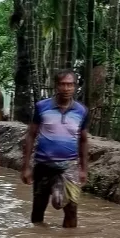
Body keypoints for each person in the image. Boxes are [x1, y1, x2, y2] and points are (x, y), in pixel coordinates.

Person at [21, 69, 90, 228]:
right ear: (56, 86)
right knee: (38, 208)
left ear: (75, 87)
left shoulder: (82, 111)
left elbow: (84, 140)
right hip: (43, 165)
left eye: (70, 85)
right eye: (63, 84)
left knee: (71, 208)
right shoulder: (41, 107)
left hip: (69, 166)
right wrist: (25, 167)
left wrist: (84, 169)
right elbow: (31, 135)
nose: (66, 88)